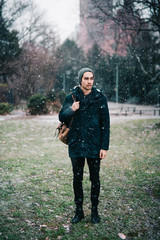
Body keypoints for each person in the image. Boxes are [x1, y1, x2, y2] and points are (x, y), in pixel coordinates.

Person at [59, 68, 110, 224]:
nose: (89, 81)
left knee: (95, 179)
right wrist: (71, 109)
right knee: (77, 178)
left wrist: (104, 147)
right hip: (76, 144)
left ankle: (94, 212)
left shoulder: (100, 98)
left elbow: (105, 124)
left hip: (94, 145)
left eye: (91, 78)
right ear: (80, 80)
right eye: (86, 78)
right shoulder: (72, 97)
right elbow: (62, 116)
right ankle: (79, 211)